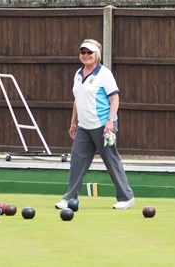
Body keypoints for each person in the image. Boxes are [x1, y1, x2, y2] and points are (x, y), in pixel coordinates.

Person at [55, 39, 135, 210]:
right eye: (83, 52)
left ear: (97, 54)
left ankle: (126, 197)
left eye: (89, 52)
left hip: (102, 125)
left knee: (111, 160)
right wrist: (73, 122)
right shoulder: (78, 73)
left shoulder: (104, 74)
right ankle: (70, 198)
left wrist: (110, 122)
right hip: (84, 126)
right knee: (77, 161)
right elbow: (77, 99)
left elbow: (114, 99)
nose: (86, 55)